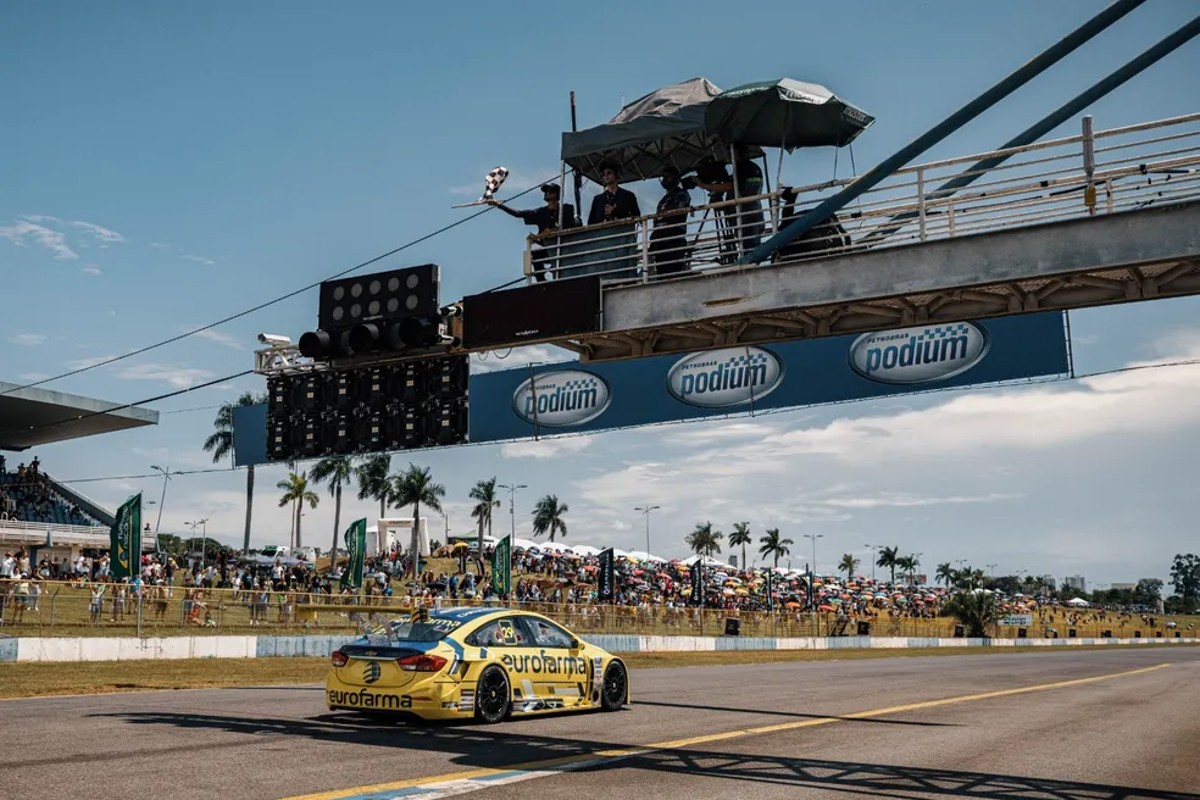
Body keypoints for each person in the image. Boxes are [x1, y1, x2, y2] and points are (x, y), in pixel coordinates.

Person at [488, 183, 577, 282]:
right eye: (546, 191)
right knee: (535, 255)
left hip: (566, 248)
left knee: (559, 269)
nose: (546, 193)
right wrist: (498, 205)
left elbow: (569, 225)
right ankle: (541, 281)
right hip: (549, 250)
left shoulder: (567, 208)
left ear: (556, 194)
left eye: (549, 191)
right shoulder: (541, 212)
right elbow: (518, 214)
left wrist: (551, 231)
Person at [691, 148, 765, 258]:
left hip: (745, 217)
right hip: (754, 214)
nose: (729, 156)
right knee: (751, 250)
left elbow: (730, 186)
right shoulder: (753, 167)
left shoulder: (742, 167)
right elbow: (734, 185)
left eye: (730, 153)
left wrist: (704, 185)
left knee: (750, 254)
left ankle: (751, 268)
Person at [648, 166, 693, 276]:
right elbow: (657, 222)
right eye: (664, 176)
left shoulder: (682, 194)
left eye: (669, 176)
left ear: (676, 178)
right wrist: (653, 243)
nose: (666, 178)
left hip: (674, 241)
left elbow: (676, 211)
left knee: (673, 275)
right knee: (661, 276)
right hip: (660, 243)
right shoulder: (663, 200)